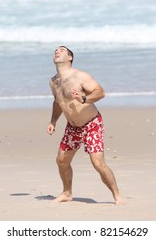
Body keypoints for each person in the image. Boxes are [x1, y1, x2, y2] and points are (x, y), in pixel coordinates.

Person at [47, 46, 125, 205]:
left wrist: (84, 99)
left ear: (70, 58)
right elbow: (58, 102)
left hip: (91, 124)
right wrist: (53, 121)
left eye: (62, 50)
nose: (57, 51)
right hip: (72, 126)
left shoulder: (80, 76)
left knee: (98, 163)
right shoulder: (53, 81)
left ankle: (117, 196)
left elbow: (100, 92)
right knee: (61, 160)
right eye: (56, 49)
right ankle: (67, 193)